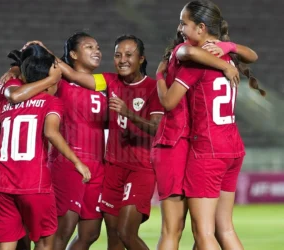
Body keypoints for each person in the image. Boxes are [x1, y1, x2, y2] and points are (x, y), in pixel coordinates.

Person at [28, 34, 164, 250]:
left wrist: (128, 117)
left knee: (103, 233)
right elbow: (62, 74)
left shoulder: (130, 87)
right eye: (118, 55)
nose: (122, 59)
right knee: (78, 230)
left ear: (141, 58)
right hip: (83, 165)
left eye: (129, 54)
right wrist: (35, 58)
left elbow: (147, 126)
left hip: (115, 168)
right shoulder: (85, 82)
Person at [155, 1, 265, 250]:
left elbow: (169, 101)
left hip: (208, 150)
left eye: (185, 23)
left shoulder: (197, 60)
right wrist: (227, 54)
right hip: (233, 147)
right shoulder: (228, 55)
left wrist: (160, 76)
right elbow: (253, 55)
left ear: (201, 27)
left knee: (203, 233)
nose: (180, 28)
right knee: (224, 228)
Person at [0, 53, 91, 250]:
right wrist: (77, 161)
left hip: (0, 185)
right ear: (49, 80)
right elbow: (51, 133)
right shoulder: (51, 102)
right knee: (45, 243)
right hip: (34, 184)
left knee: (5, 246)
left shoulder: (4, 103)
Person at [2, 32, 107, 250]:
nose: (96, 51)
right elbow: (38, 70)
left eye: (97, 47)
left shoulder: (103, 85)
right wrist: (17, 68)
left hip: (98, 165)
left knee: (90, 233)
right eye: (89, 47)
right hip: (69, 163)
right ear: (73, 54)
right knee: (62, 231)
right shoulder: (59, 84)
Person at [0, 48, 61, 250]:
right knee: (15, 235)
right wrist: (51, 80)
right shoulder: (16, 86)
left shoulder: (0, 84)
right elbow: (15, 97)